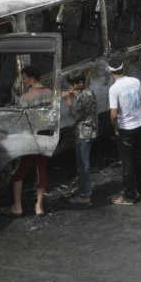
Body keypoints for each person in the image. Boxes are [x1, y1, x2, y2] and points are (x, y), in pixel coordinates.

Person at [2, 65, 52, 217]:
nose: (23, 82)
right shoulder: (50, 93)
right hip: (45, 138)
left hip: (30, 140)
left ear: (31, 79)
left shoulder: (26, 98)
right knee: (41, 171)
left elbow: (21, 121)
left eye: (24, 78)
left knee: (19, 173)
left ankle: (17, 206)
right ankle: (39, 207)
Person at [108, 56, 141, 205]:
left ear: (109, 72)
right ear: (123, 68)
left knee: (127, 165)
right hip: (140, 125)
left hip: (126, 129)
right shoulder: (136, 81)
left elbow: (113, 115)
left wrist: (116, 129)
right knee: (139, 159)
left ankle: (129, 196)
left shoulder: (114, 89)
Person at [62, 71, 97, 205]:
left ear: (81, 83)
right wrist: (76, 93)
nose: (72, 87)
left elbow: (76, 116)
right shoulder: (87, 91)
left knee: (83, 164)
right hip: (88, 131)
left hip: (84, 133)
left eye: (74, 85)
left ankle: (85, 195)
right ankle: (83, 188)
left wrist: (68, 101)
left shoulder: (84, 97)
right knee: (82, 163)